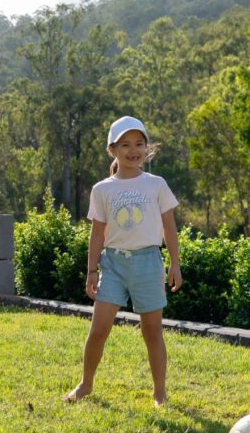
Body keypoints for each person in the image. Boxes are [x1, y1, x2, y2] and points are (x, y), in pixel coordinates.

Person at [64, 116, 182, 406]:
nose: (134, 150)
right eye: (126, 144)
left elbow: (169, 227)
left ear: (147, 148)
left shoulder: (156, 184)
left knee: (152, 330)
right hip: (113, 265)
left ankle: (159, 392)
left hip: (148, 263)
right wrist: (92, 271)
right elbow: (97, 234)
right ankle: (86, 384)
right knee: (99, 330)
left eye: (139, 144)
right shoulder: (102, 189)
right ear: (112, 149)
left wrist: (175, 263)